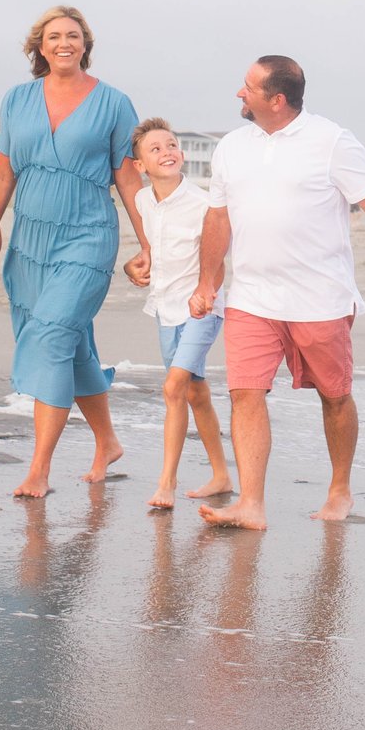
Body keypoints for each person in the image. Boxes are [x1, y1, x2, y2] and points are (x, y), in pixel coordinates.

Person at [189, 55, 365, 529]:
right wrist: (206, 282)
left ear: (276, 99)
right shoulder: (231, 146)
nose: (239, 93)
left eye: (247, 87)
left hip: (320, 298)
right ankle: (251, 503)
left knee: (334, 396)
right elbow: (218, 217)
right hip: (252, 298)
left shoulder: (331, 140)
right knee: (245, 393)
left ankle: (339, 488)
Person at [0, 6, 143, 500]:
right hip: (30, 238)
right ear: (39, 47)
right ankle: (107, 440)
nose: (63, 42)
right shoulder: (17, 100)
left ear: (85, 44)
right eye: (54, 36)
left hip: (88, 232)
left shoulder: (113, 103)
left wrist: (148, 243)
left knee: (50, 337)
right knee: (68, 342)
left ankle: (39, 468)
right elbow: (3, 172)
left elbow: (128, 177)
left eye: (73, 35)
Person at [127, 118, 234, 509]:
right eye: (154, 149)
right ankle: (221, 475)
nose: (166, 152)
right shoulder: (142, 201)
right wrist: (134, 265)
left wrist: (206, 292)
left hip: (202, 310)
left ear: (183, 154)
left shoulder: (205, 204)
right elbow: (151, 252)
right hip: (164, 308)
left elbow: (218, 258)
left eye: (171, 145)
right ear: (140, 166)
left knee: (173, 388)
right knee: (195, 393)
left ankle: (166, 483)